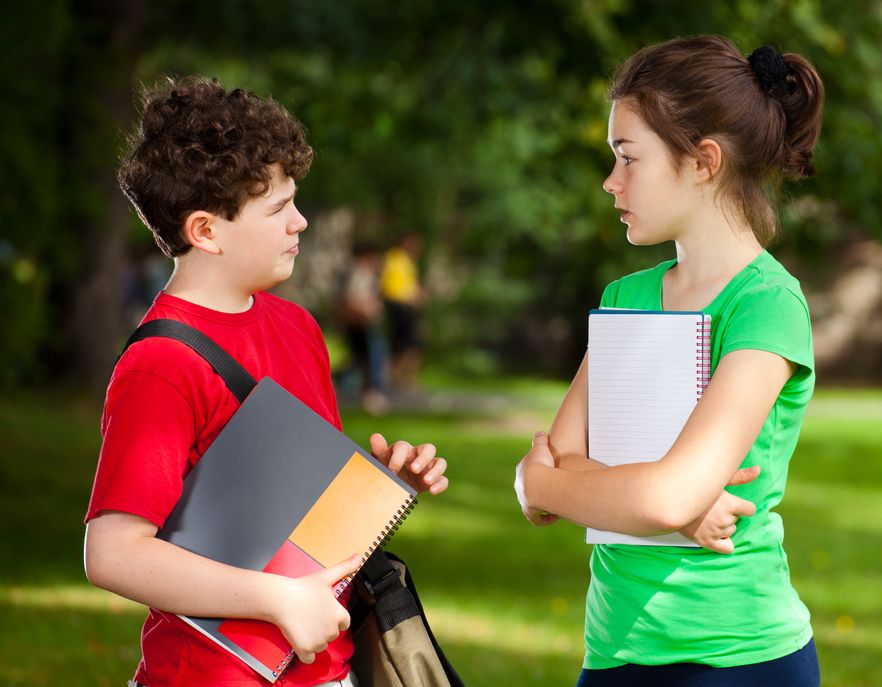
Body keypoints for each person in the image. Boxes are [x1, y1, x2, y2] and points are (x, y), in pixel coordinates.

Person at [83, 77, 449, 687]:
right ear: (205, 232)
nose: (300, 222)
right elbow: (113, 553)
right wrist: (277, 600)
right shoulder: (162, 365)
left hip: (325, 669)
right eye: (278, 208)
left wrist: (381, 490)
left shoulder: (298, 326)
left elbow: (285, 513)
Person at [514, 36, 824, 687]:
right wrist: (669, 502)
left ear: (703, 161)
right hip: (613, 652)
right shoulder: (624, 299)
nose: (610, 180)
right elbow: (576, 459)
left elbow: (568, 482)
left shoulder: (766, 307)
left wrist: (541, 483)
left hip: (739, 659)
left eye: (629, 159)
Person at [337, 240, 390, 415]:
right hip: (360, 322)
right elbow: (352, 298)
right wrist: (367, 311)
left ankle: (339, 383)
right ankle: (372, 392)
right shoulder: (359, 272)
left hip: (359, 321)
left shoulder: (358, 272)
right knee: (371, 355)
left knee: (359, 358)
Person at [380, 233, 424, 388]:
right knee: (404, 342)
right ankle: (397, 377)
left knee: (408, 342)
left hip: (404, 305)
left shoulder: (406, 260)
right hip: (398, 305)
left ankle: (403, 377)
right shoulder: (394, 258)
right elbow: (391, 285)